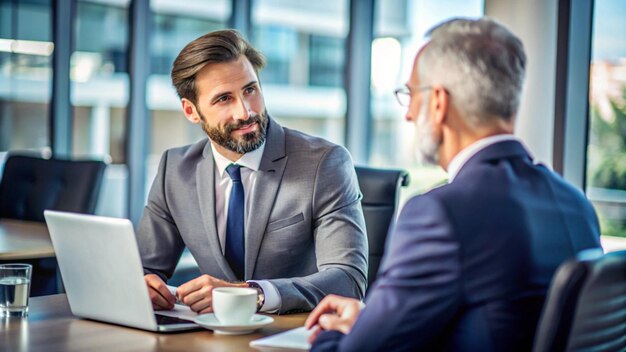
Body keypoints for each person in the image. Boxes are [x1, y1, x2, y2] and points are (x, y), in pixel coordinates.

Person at [305, 17, 601, 351]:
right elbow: (502, 320)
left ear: (438, 103)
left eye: (411, 95)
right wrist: (370, 321)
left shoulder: (440, 214)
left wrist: (333, 333)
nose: (408, 115)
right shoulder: (575, 203)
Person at [136, 29, 368, 315]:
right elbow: (145, 268)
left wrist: (252, 294)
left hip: (292, 334)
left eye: (250, 90)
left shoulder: (325, 163)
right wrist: (143, 284)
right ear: (191, 111)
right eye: (223, 99)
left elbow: (348, 279)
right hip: (206, 337)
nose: (245, 112)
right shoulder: (175, 168)